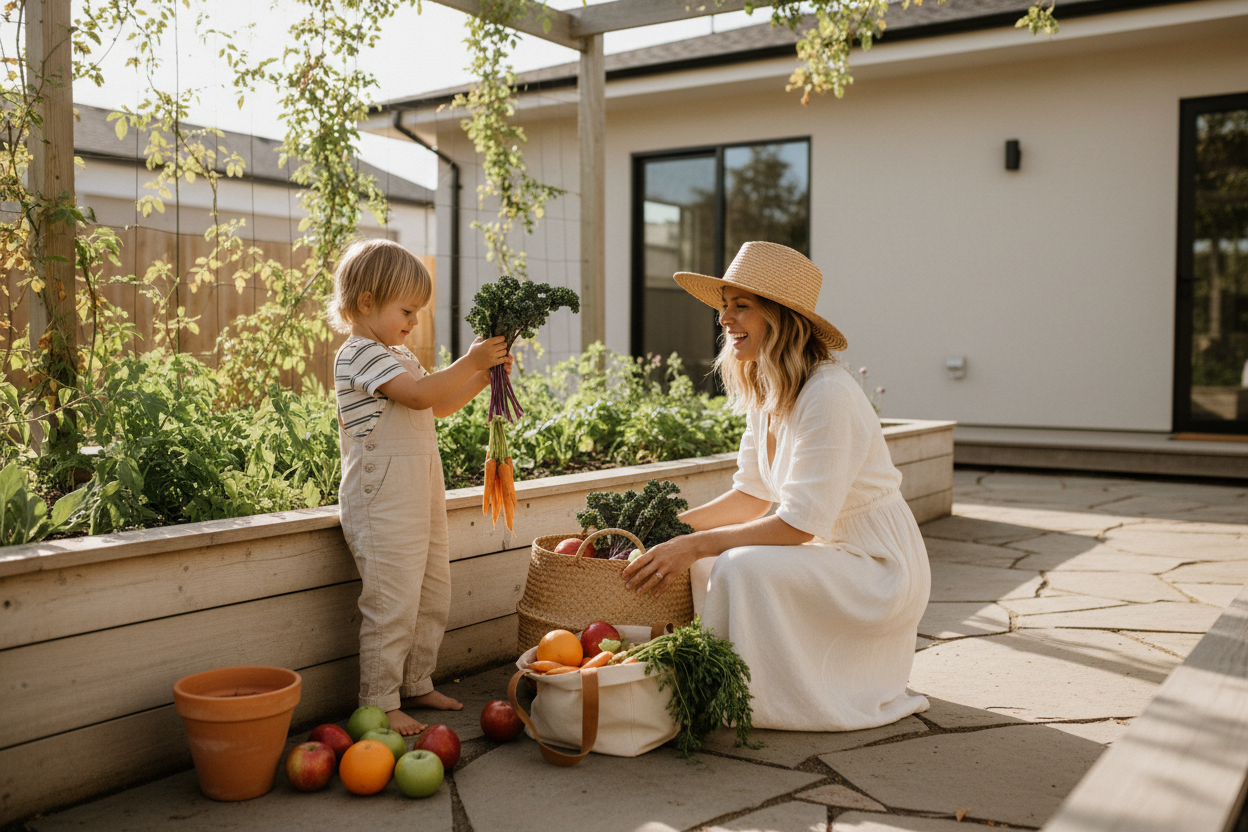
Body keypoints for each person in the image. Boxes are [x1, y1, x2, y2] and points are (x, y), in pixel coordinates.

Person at [622, 241, 931, 732]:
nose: (724, 319)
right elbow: (750, 496)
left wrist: (693, 543)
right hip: (832, 553)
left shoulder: (827, 393)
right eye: (724, 304)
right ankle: (715, 680)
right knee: (701, 560)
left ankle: (752, 697)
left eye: (741, 305)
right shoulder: (767, 389)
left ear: (782, 318)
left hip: (877, 566)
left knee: (738, 564)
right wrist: (664, 532)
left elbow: (798, 525)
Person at [327, 238, 510, 735]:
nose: (413, 321)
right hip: (382, 499)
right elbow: (415, 394)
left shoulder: (398, 352)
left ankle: (415, 682)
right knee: (391, 600)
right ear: (367, 303)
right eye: (407, 310)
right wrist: (471, 362)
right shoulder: (359, 355)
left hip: (419, 492)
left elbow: (436, 403)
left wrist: (481, 377)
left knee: (431, 591)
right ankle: (379, 700)